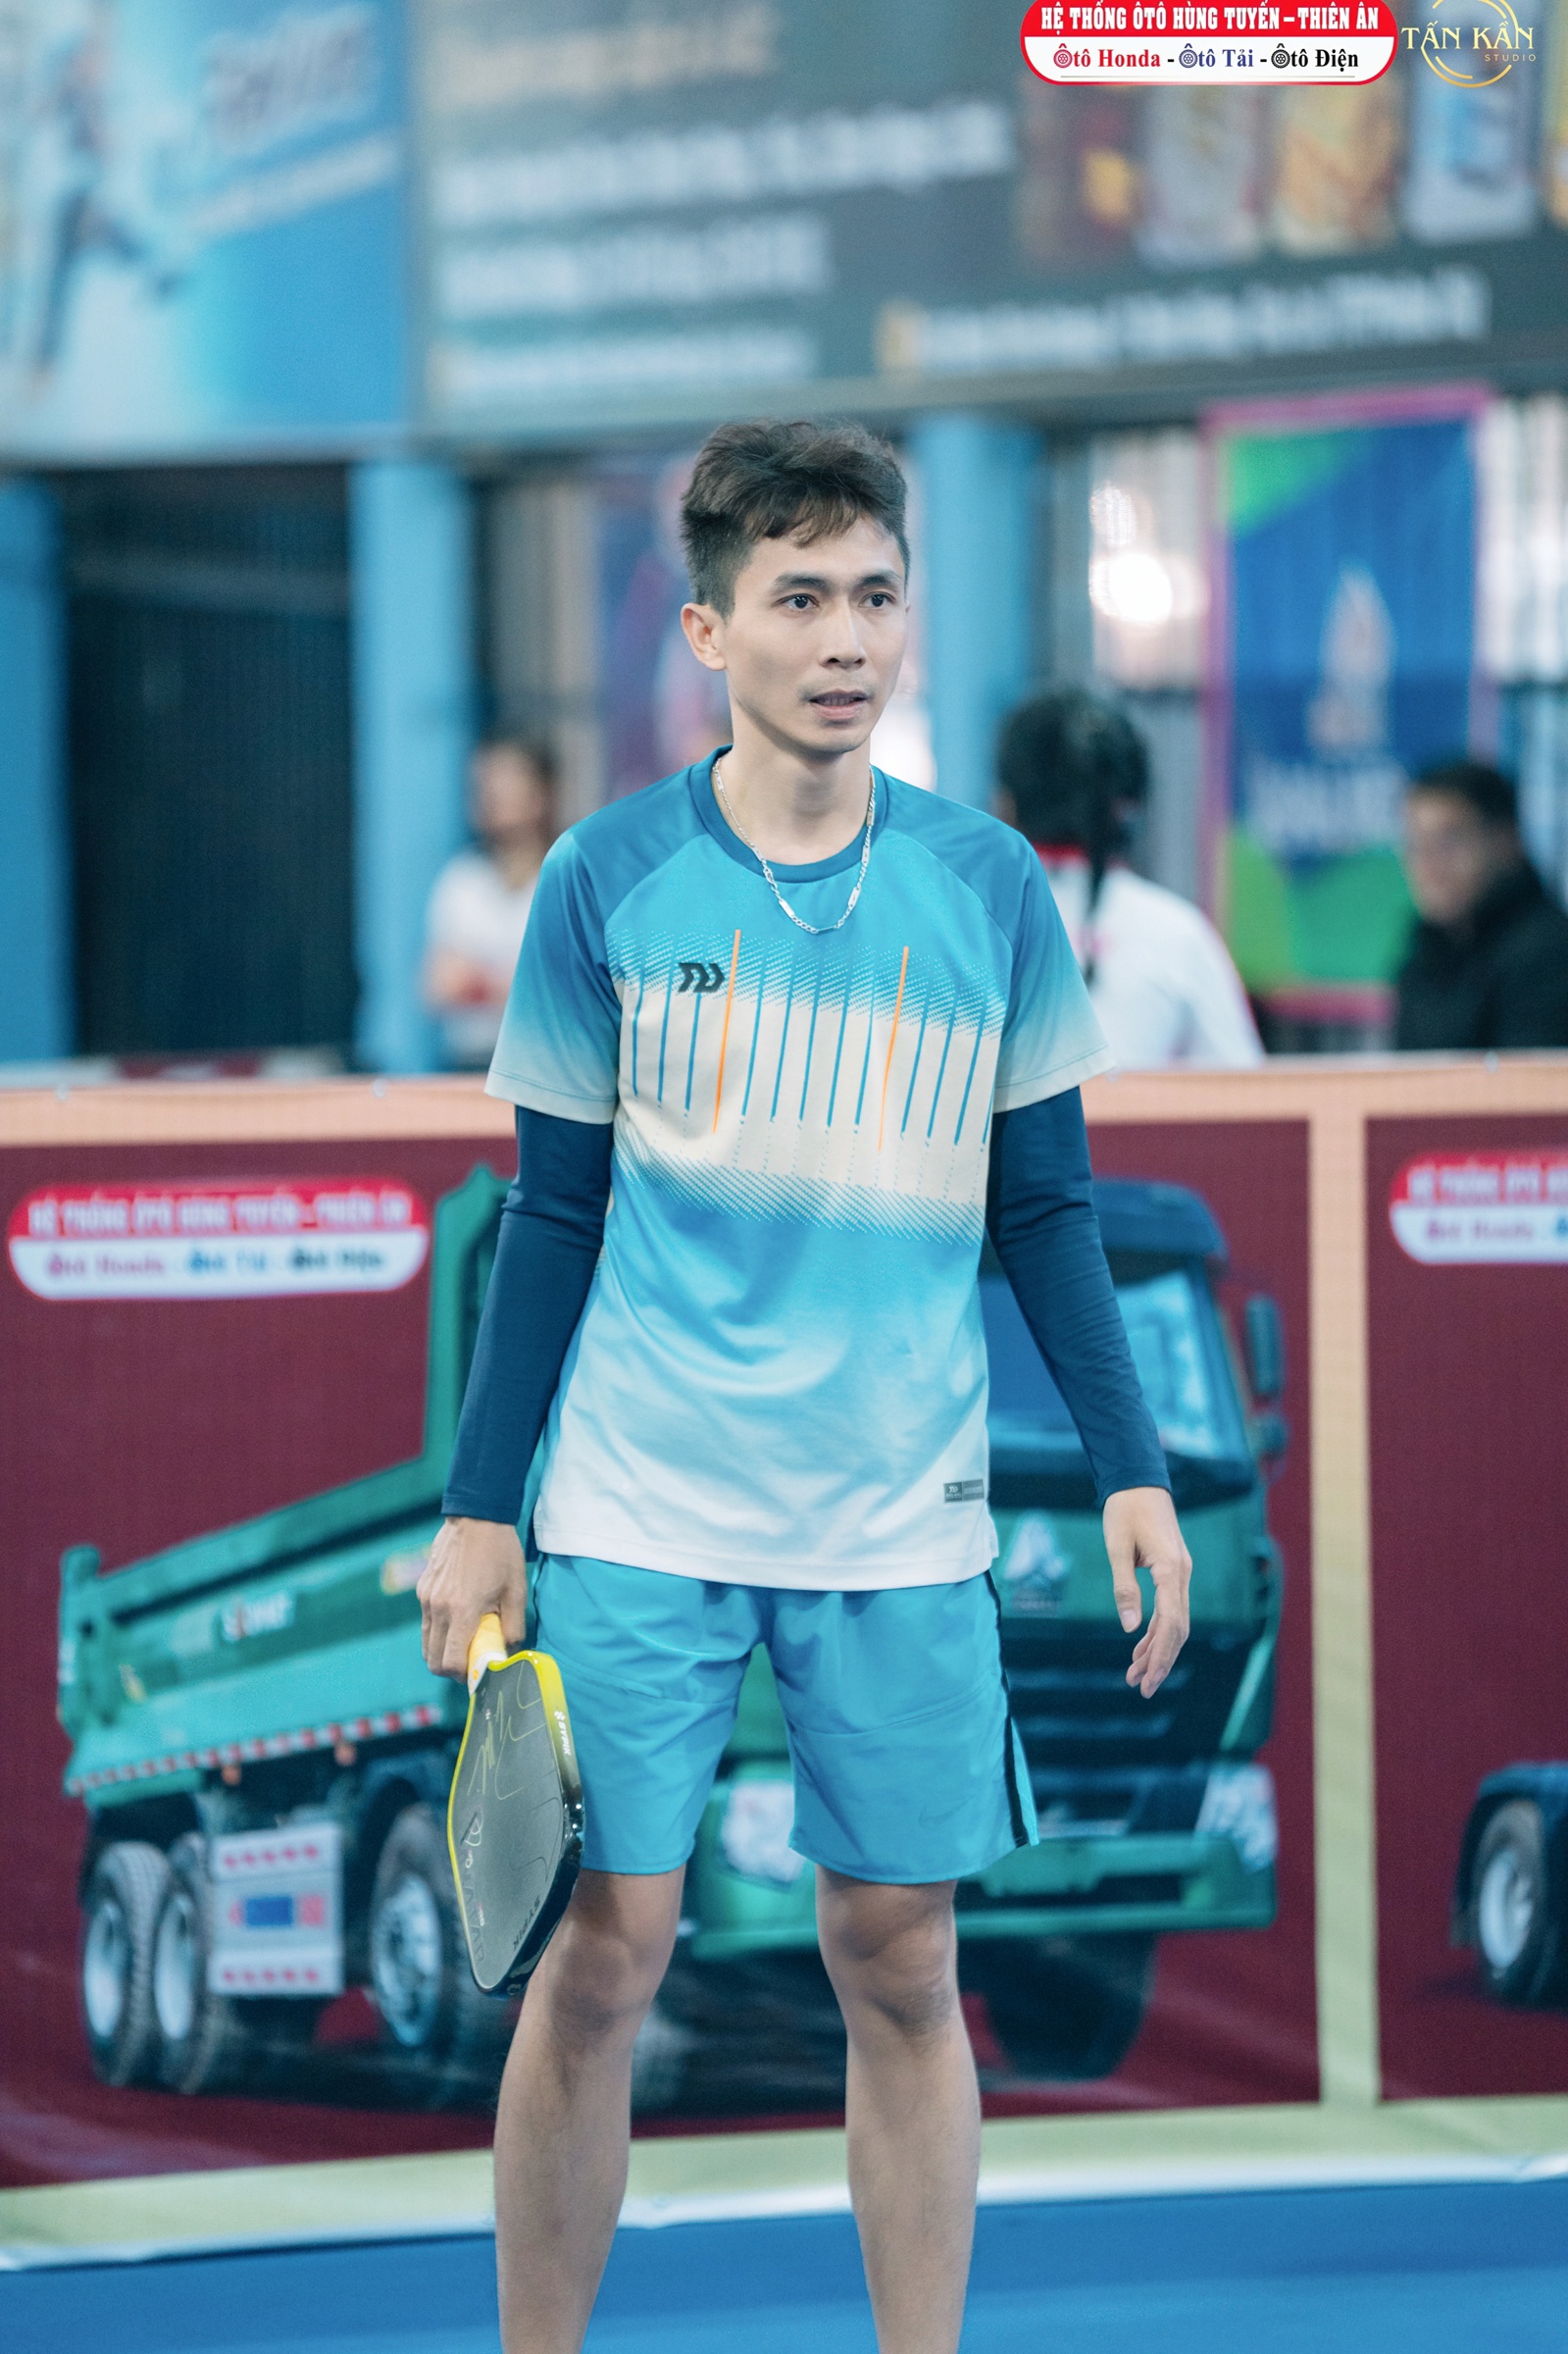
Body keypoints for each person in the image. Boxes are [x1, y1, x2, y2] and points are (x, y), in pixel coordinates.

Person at [416, 419, 1191, 2354]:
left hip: (898, 1511)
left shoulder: (987, 888)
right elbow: (552, 1219)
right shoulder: (601, 881)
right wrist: (479, 1507)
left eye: (873, 596)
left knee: (899, 1955)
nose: (844, 639)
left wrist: (1130, 1467)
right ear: (706, 629)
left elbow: (1042, 1204)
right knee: (607, 1954)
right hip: (638, 1501)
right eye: (797, 599)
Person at [996, 687, 1262, 1070]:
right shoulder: (1178, 937)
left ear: (1005, 802)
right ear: (1128, 806)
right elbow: (1249, 1093)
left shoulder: (957, 927)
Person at [1394, 756, 1568, 1051]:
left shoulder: (1549, 952)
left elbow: (1529, 1077)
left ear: (1505, 841)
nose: (1428, 863)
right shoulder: (1425, 951)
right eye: (1415, 843)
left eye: (1450, 841)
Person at [424, 736, 557, 1068]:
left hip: (546, 1067)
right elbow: (437, 986)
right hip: (469, 1064)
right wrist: (514, 983)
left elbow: (568, 990)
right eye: (485, 785)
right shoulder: (461, 881)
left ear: (542, 792)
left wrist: (478, 980)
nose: (494, 794)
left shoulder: (568, 880)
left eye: (509, 782)